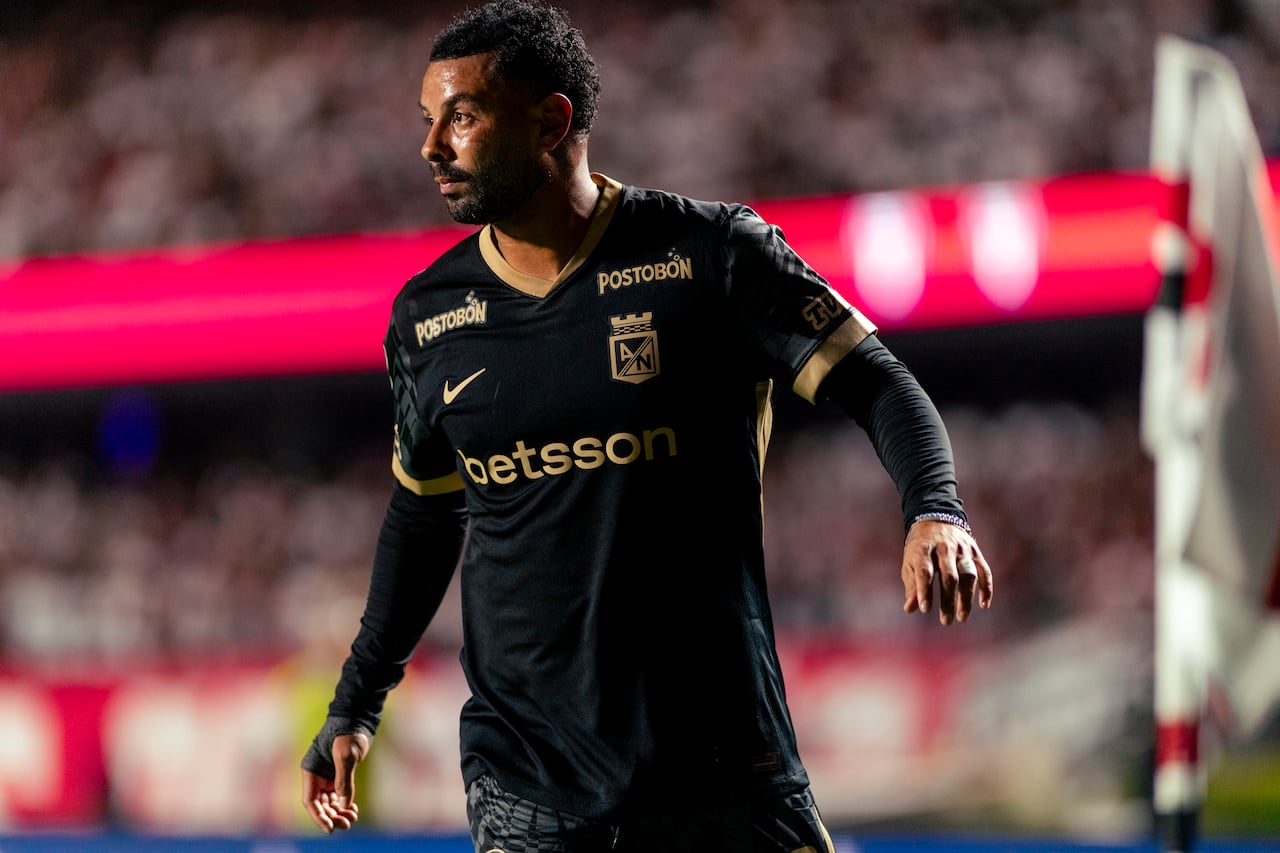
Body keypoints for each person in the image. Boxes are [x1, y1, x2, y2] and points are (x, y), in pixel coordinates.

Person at [300, 1, 994, 850]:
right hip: (529, 785)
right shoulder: (427, 315)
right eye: (427, 121)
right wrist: (357, 700)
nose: (432, 147)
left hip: (724, 765)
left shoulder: (712, 252)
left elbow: (878, 382)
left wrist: (935, 507)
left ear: (553, 120)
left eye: (464, 117)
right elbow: (423, 514)